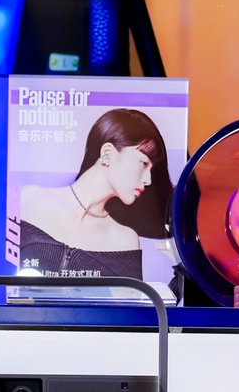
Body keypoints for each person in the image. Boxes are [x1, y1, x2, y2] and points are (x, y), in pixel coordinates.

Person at [16, 108, 172, 279]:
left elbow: (128, 298)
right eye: (143, 163)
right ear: (108, 153)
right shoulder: (30, 200)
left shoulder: (125, 240)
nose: (148, 180)